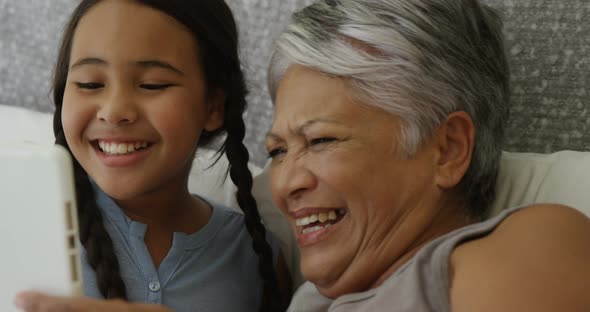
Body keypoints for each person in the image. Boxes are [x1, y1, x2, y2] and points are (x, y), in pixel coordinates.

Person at [264, 0, 590, 311]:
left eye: (321, 140)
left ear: (449, 150)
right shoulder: (310, 298)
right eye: (277, 150)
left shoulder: (526, 247)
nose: (284, 185)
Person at [14, 0, 291, 311]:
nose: (115, 111)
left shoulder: (256, 259)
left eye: (152, 84)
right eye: (90, 83)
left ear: (213, 107)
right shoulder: (16, 225)